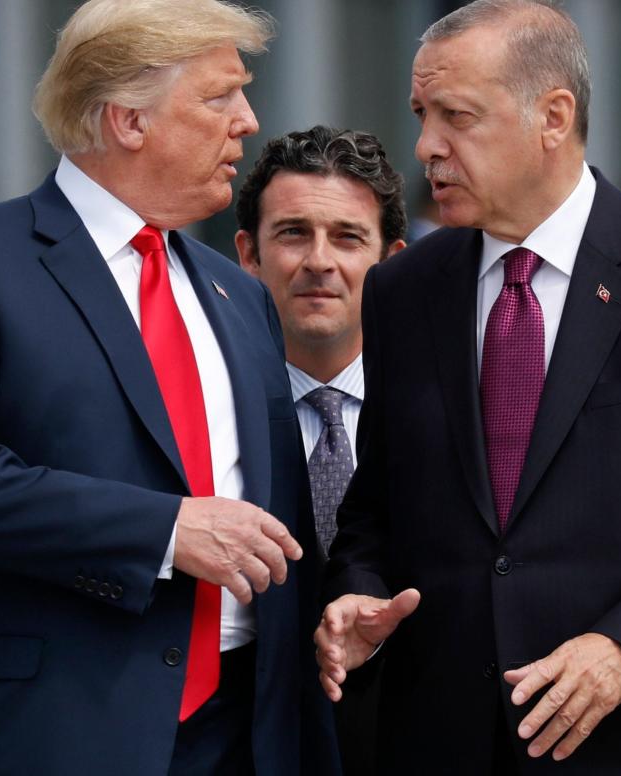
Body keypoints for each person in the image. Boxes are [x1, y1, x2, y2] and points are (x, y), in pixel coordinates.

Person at [313, 2, 621, 774]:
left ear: (553, 117)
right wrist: (356, 592)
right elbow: (375, 511)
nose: (426, 147)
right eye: (422, 115)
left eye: (457, 116)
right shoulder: (403, 291)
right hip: (447, 745)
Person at [0, 1, 334, 774]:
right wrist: (163, 530)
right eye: (220, 96)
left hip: (241, 739)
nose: (248, 121)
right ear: (128, 120)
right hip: (45, 733)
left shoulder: (238, 294)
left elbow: (274, 515)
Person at [235, 125, 407, 776]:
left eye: (346, 237)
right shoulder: (203, 417)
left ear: (391, 259)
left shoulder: (450, 411)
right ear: (248, 253)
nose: (319, 261)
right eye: (292, 233)